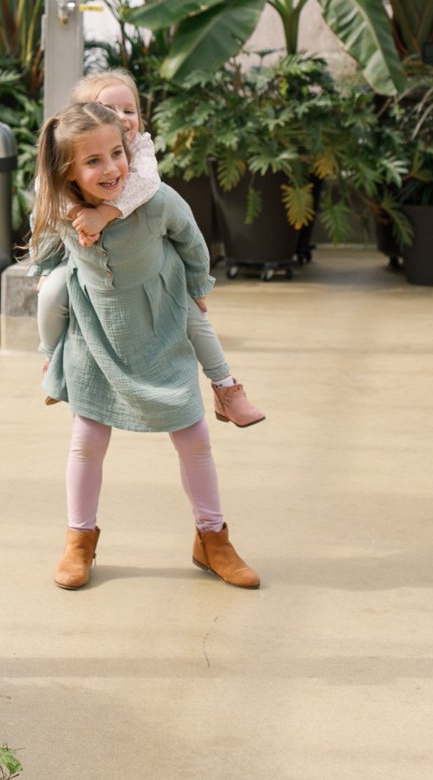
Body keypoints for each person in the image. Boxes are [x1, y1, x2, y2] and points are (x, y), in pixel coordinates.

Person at [30, 100, 260, 592]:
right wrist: (49, 282)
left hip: (159, 326)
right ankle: (79, 540)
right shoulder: (63, 211)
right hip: (97, 336)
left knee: (195, 436)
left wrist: (197, 288)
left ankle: (212, 538)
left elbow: (192, 239)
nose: (111, 168)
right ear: (68, 170)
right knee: (87, 441)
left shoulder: (156, 200)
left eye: (117, 153)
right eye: (93, 161)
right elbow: (45, 250)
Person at [36, 69, 265, 427]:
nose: (123, 119)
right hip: (84, 267)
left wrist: (195, 283)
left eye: (130, 110)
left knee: (194, 317)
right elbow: (49, 210)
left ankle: (225, 387)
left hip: (155, 270)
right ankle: (53, 362)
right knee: (50, 295)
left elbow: (149, 196)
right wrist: (50, 261)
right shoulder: (66, 162)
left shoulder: (141, 155)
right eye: (109, 110)